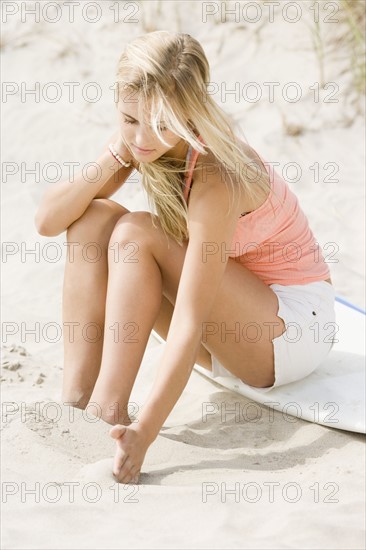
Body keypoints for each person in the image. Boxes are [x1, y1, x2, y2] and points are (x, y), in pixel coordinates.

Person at [34, 30, 336, 485]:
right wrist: (115, 157)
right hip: (232, 328)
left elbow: (191, 318)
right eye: (129, 118)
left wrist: (144, 434)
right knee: (94, 217)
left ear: (189, 113)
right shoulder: (142, 139)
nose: (142, 136)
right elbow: (48, 221)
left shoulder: (218, 174)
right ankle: (77, 401)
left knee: (136, 233)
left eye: (159, 124)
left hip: (289, 332)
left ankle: (108, 412)